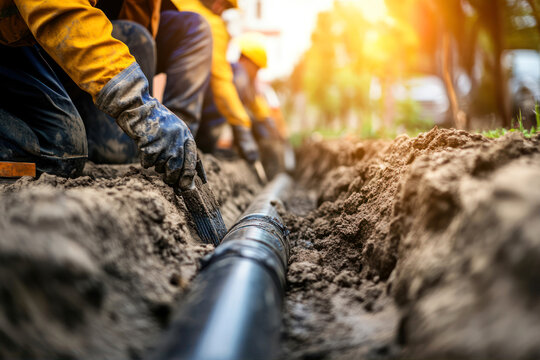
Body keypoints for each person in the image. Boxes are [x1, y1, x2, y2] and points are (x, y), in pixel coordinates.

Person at [0, 0, 201, 189]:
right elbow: (58, 7)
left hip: (20, 39)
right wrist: (137, 105)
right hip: (26, 33)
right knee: (57, 155)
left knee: (77, 155)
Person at [166, 0, 260, 163]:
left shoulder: (178, 5)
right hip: (186, 125)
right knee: (234, 75)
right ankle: (183, 144)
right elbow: (221, 80)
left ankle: (175, 139)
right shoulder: (210, 23)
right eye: (222, 4)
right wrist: (242, 126)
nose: (220, 10)